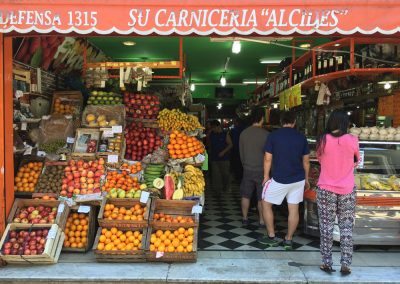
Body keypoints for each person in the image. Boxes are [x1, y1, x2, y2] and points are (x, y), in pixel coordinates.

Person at [259, 110, 310, 250]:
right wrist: (306, 178)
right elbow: (306, 161)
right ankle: (288, 239)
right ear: (294, 122)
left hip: (279, 179)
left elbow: (268, 158)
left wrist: (265, 176)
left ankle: (271, 236)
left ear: (281, 122)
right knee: (293, 209)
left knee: (265, 204)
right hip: (298, 179)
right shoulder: (301, 137)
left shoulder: (273, 136)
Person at [316, 110, 359, 275]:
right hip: (347, 189)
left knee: (326, 228)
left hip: (326, 188)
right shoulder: (353, 140)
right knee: (346, 228)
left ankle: (327, 263)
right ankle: (346, 264)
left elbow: (320, 159)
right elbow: (356, 161)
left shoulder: (322, 139)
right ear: (345, 123)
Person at [239, 109, 269, 227]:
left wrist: (244, 164)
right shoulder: (266, 134)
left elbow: (241, 153)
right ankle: (261, 220)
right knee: (261, 197)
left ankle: (245, 218)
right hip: (262, 170)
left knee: (245, 195)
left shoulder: (244, 133)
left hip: (247, 168)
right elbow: (268, 155)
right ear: (261, 118)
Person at [209, 120, 233, 196]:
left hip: (224, 159)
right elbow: (210, 145)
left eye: (213, 127)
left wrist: (223, 152)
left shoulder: (225, 134)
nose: (212, 129)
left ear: (218, 126)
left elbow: (230, 145)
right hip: (214, 158)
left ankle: (226, 187)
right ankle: (217, 190)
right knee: (216, 175)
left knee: (225, 174)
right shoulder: (211, 134)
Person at [230, 117, 244, 182]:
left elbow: (234, 141)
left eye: (234, 122)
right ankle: (240, 178)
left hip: (236, 150)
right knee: (241, 165)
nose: (233, 123)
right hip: (243, 150)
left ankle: (238, 178)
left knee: (237, 165)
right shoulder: (244, 129)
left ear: (237, 122)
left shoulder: (234, 130)